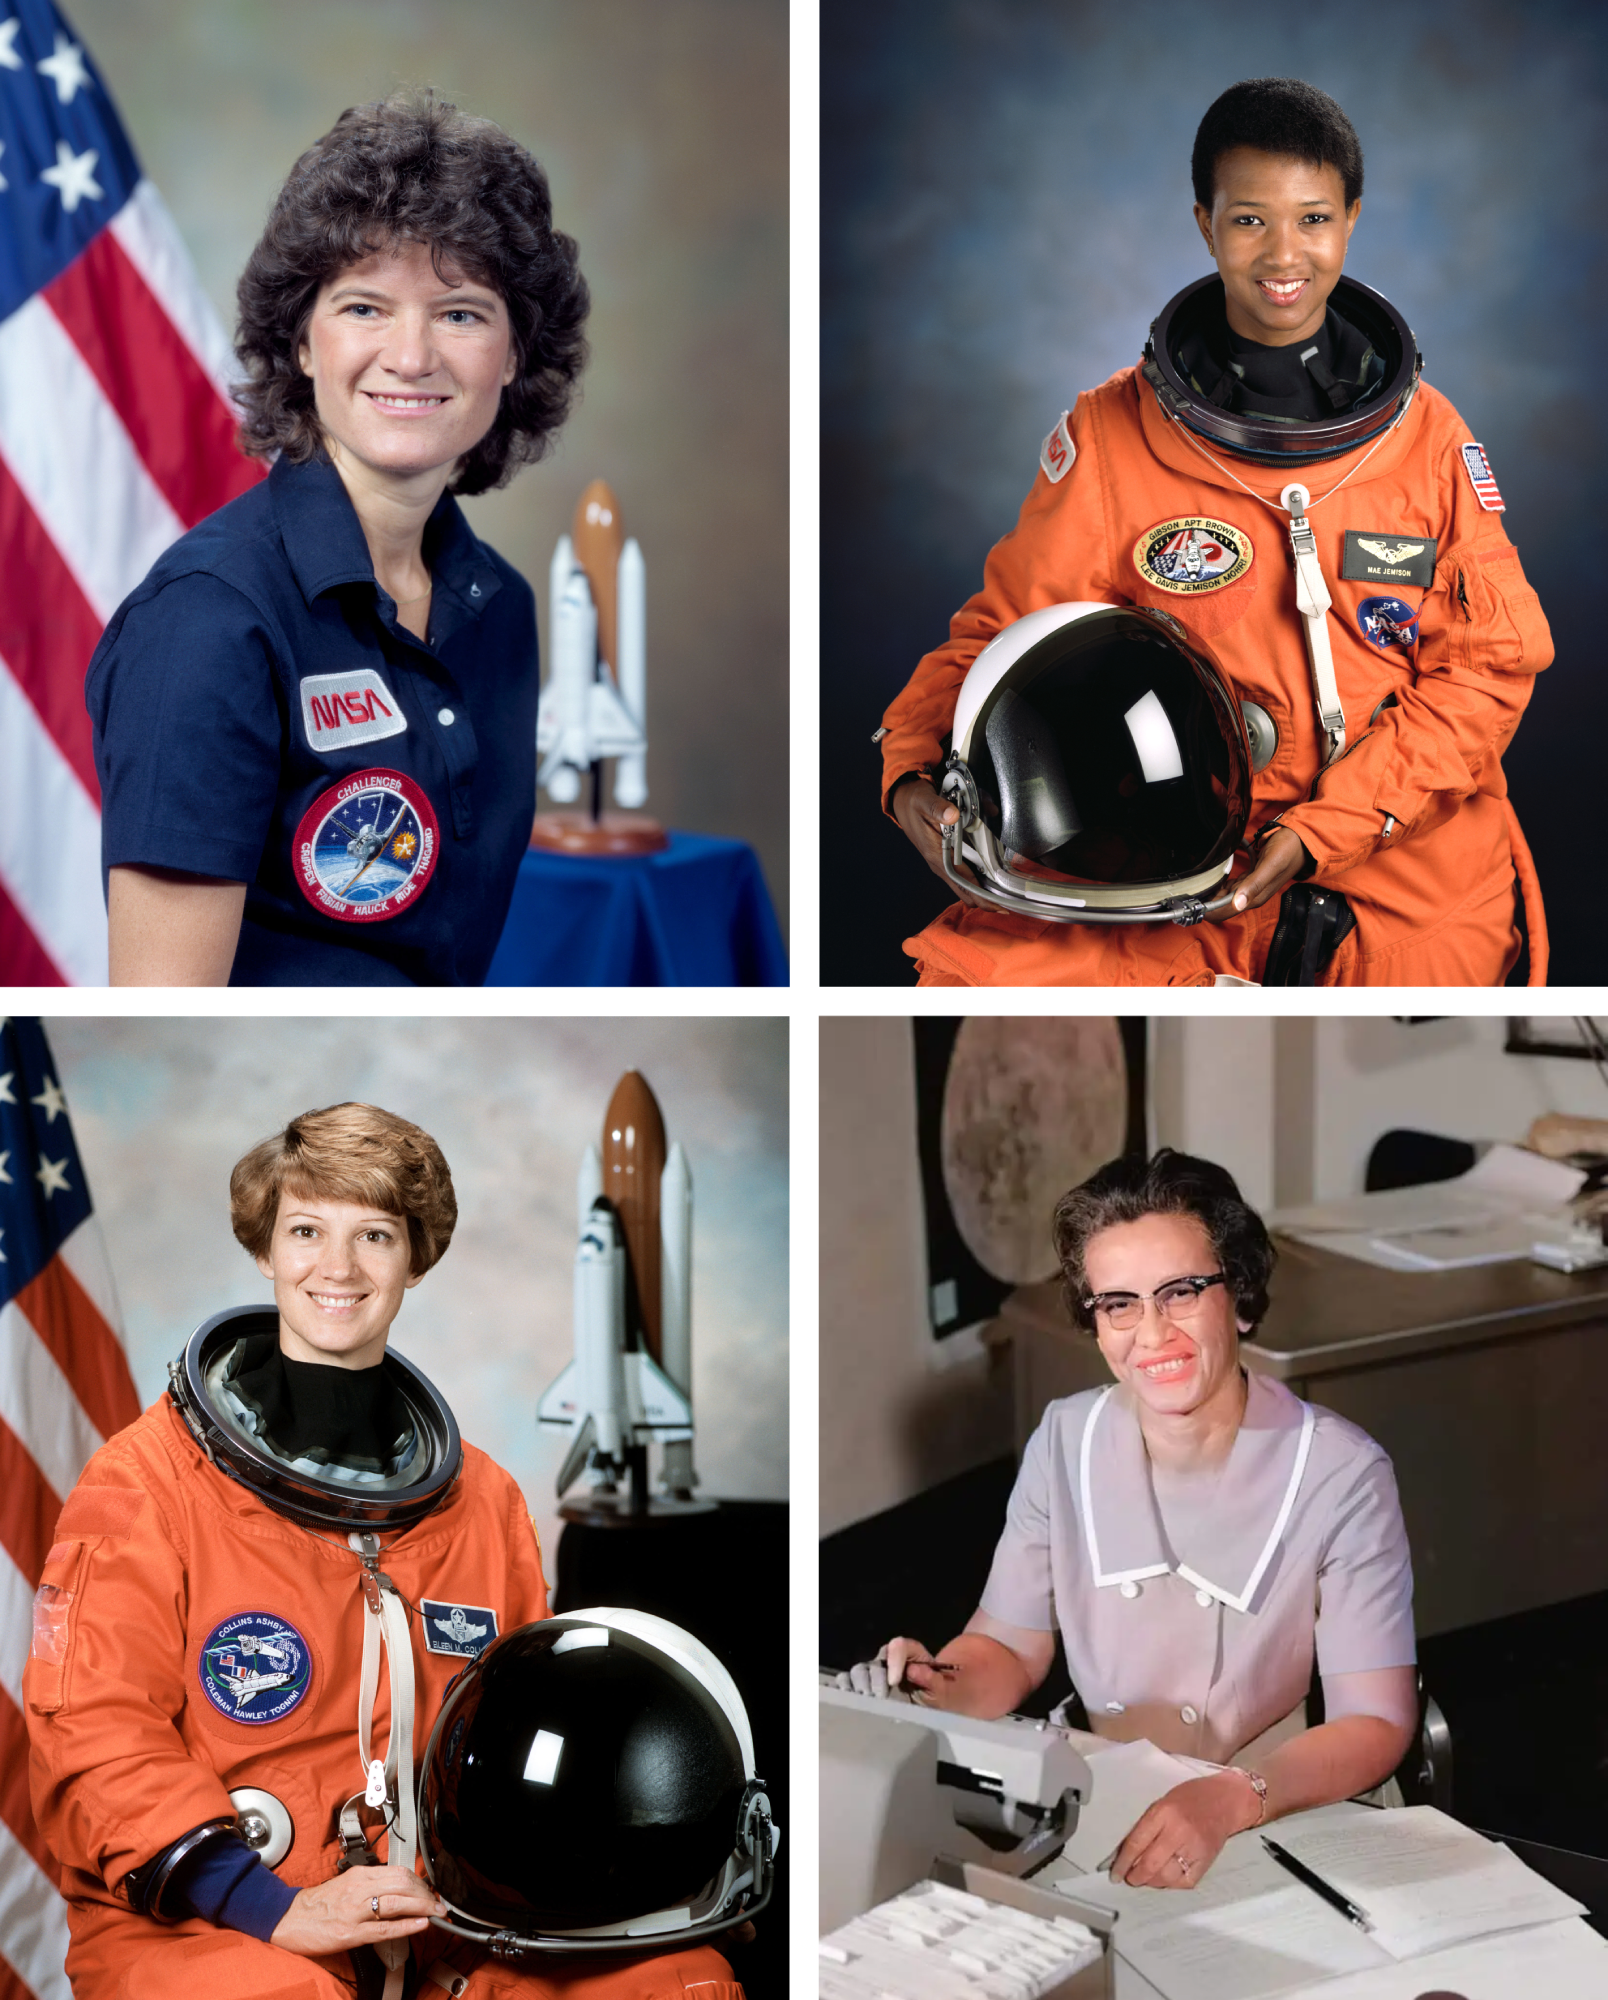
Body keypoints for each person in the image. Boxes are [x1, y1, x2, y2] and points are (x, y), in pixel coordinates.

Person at [24, 1101, 745, 1999]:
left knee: (679, 1979)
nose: (337, 1267)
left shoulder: (481, 1501)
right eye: (305, 1230)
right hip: (211, 1920)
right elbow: (90, 1730)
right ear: (264, 1250)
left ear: (415, 1261)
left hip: (439, 1912)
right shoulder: (146, 1483)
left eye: (374, 1235)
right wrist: (273, 1905)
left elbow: (534, 1722)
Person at [881, 76, 1552, 985]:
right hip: (1172, 849)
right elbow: (1009, 640)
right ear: (1205, 223)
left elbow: (1486, 672)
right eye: (1249, 220)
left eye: (1314, 219)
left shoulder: (1428, 440)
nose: (1285, 253)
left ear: (1352, 219)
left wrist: (1327, 830)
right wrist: (915, 763)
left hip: (1400, 857)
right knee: (972, 977)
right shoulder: (1113, 437)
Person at [88, 88, 590, 988]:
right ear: (304, 343)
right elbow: (167, 998)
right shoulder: (207, 623)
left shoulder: (501, 609)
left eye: (461, 312)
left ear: (514, 355)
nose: (410, 355)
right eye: (365, 308)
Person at [836, 1148, 1419, 1890]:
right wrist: (932, 1687)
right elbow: (1009, 1650)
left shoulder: (1340, 1473)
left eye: (1180, 1292)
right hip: (1098, 1789)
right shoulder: (1064, 1440)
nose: (1151, 1333)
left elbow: (1375, 1722)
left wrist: (1233, 1797)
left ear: (1238, 1296)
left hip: (1278, 1796)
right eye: (1119, 1304)